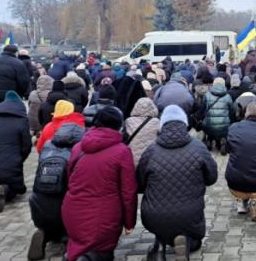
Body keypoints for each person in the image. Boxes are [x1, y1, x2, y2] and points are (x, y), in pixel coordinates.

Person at [137, 105, 217, 261]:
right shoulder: (198, 147)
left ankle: (159, 245)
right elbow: (212, 177)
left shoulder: (151, 150)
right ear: (185, 123)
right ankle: (185, 242)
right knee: (195, 242)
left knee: (162, 223)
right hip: (190, 214)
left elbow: (139, 183)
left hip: (154, 215)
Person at [62, 106, 137, 260]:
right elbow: (128, 192)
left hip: (72, 212)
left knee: (80, 246)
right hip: (104, 215)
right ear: (118, 126)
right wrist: (129, 222)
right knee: (100, 251)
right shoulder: (122, 151)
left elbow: (70, 179)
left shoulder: (77, 148)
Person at [28, 123, 85, 261]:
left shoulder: (48, 145)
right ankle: (68, 240)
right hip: (65, 201)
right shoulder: (79, 150)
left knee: (50, 222)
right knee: (72, 221)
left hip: (39, 199)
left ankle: (44, 233)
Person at [123, 97, 160, 167]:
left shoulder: (129, 121)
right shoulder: (156, 122)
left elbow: (124, 140)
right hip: (150, 160)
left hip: (132, 160)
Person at [202, 77, 234, 154]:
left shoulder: (207, 95)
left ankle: (209, 139)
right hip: (224, 126)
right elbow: (231, 112)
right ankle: (222, 141)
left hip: (209, 125)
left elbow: (203, 110)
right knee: (224, 128)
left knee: (209, 125)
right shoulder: (228, 96)